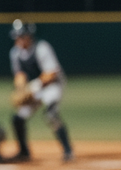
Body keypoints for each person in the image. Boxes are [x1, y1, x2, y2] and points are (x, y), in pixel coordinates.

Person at [8, 20, 73, 161]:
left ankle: (68, 151)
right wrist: (21, 90)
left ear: (28, 36)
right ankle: (24, 152)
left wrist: (32, 87)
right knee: (17, 119)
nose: (18, 40)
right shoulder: (15, 53)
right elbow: (19, 75)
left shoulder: (42, 48)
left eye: (21, 36)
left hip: (52, 86)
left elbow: (51, 74)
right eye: (17, 37)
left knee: (51, 115)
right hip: (34, 88)